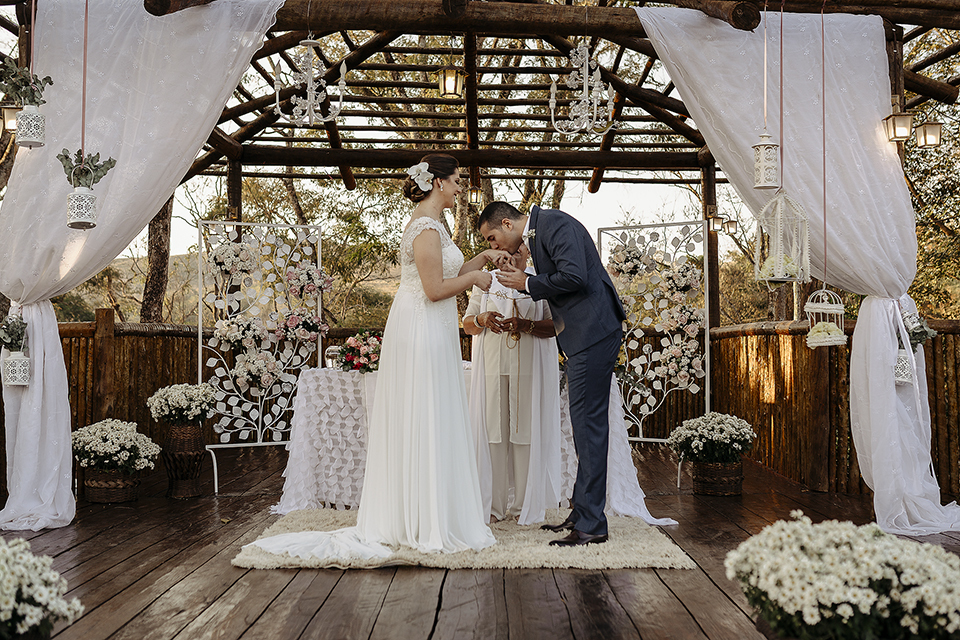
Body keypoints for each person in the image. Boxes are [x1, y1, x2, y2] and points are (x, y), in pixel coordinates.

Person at [249, 154, 507, 562]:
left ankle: (432, 513)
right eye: (456, 180)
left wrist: (482, 260)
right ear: (438, 183)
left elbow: (448, 271)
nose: (460, 188)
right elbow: (435, 289)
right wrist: (475, 278)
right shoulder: (424, 226)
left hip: (433, 327)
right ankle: (418, 520)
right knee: (423, 414)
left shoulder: (435, 224)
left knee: (434, 415)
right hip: (421, 328)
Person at [477, 201, 626, 547]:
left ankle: (592, 524)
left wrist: (527, 283)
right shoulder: (541, 229)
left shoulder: (554, 224)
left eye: (493, 238)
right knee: (583, 427)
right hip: (583, 335)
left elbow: (576, 276)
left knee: (589, 427)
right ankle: (582, 511)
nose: (495, 246)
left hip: (593, 332)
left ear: (506, 223)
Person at [463, 245, 562, 526]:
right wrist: (482, 319)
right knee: (494, 434)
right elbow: (468, 323)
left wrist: (524, 325)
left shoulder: (538, 281)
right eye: (507, 251)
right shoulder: (485, 281)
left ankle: (523, 505)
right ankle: (493, 507)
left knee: (524, 435)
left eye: (519, 251)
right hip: (492, 368)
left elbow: (554, 325)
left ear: (528, 253)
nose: (512, 256)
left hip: (528, 368)